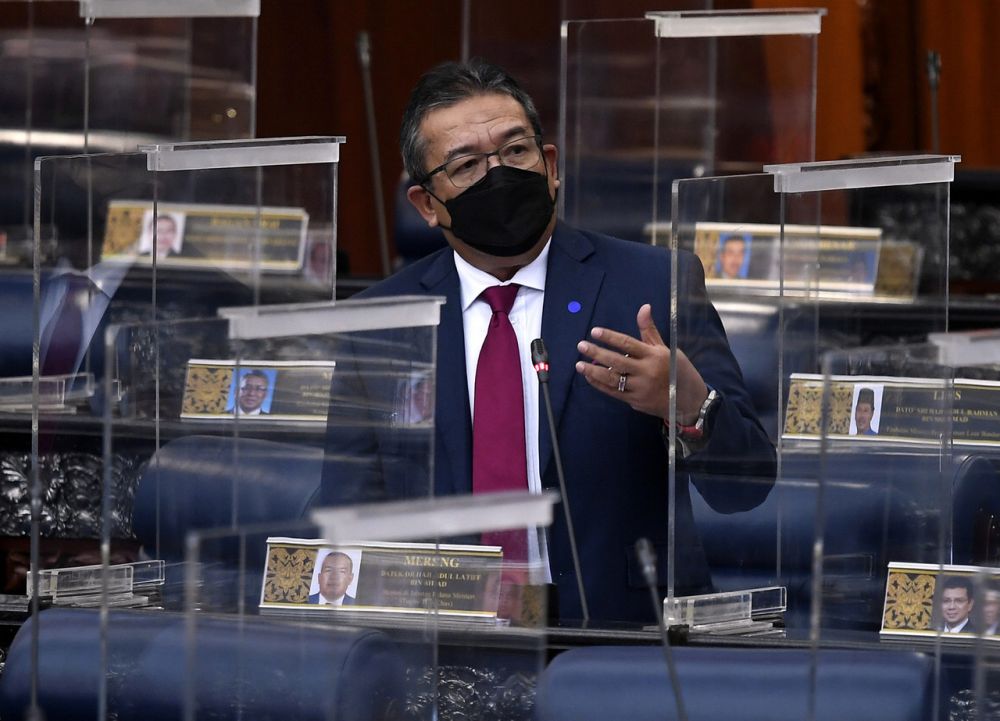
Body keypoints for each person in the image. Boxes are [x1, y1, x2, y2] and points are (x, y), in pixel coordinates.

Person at [320, 60, 775, 624]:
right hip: (446, 642)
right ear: (426, 205)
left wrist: (690, 408)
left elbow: (746, 488)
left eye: (516, 152)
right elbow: (342, 514)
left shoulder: (654, 284)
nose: (499, 175)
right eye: (466, 164)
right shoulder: (379, 322)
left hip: (619, 641)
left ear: (550, 165)